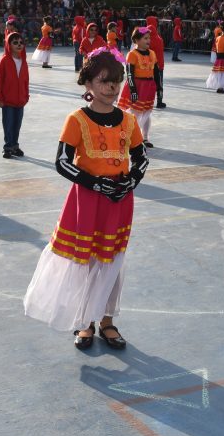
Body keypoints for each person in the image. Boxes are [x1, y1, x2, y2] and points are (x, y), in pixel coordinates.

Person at [23, 50, 148, 350]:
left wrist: (130, 181)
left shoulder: (129, 121)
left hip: (119, 202)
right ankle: (84, 321)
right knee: (86, 260)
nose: (112, 88)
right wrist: (96, 183)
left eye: (116, 81)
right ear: (88, 84)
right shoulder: (77, 120)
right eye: (104, 81)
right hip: (87, 201)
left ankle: (107, 320)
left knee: (112, 260)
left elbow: (141, 159)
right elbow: (62, 162)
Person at [117, 27, 158, 147]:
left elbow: (156, 72)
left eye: (149, 38)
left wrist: (159, 87)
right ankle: (130, 137)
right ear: (136, 40)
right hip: (137, 85)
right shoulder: (132, 54)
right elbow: (129, 74)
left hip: (149, 87)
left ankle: (145, 137)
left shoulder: (152, 53)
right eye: (145, 38)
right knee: (134, 113)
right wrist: (133, 90)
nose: (148, 40)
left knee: (147, 112)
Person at [0, 31, 30, 159]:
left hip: (20, 100)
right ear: (9, 45)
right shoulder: (4, 61)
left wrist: (26, 96)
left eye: (21, 42)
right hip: (7, 101)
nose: (19, 45)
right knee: (8, 124)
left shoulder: (23, 61)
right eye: (15, 42)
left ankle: (15, 146)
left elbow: (26, 80)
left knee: (17, 125)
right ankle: (8, 147)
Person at [145, 16, 168, 109]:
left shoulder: (147, 40)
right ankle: (159, 101)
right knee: (159, 83)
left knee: (147, 83)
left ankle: (146, 101)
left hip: (149, 65)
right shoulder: (159, 38)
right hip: (160, 64)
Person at [206, 24, 224, 94]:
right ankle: (221, 88)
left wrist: (217, 58)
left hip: (218, 58)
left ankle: (220, 87)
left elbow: (217, 50)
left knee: (219, 73)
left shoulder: (217, 38)